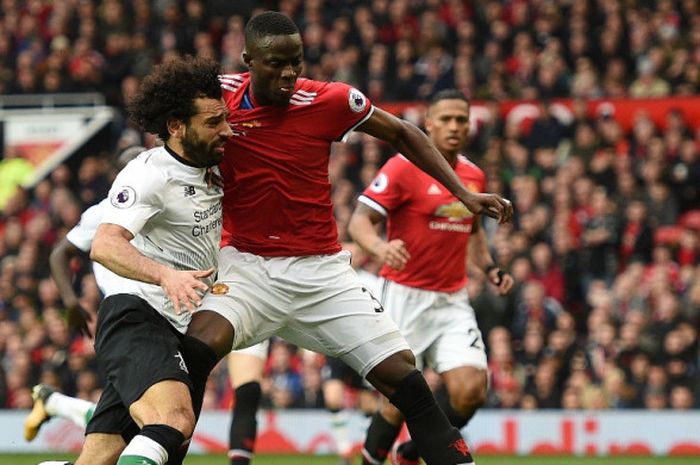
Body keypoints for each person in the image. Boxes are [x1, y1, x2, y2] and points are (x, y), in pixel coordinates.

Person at [185, 12, 512, 465]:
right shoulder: (216, 97)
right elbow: (168, 129)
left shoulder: (330, 100)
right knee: (194, 354)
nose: (288, 74)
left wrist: (463, 194)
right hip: (247, 267)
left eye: (295, 62)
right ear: (248, 61)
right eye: (276, 63)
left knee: (405, 378)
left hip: (321, 270)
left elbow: (402, 132)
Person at [69, 55, 231, 465]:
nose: (226, 131)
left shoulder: (212, 164)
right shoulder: (149, 174)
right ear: (176, 127)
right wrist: (166, 276)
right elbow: (105, 244)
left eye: (225, 119)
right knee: (174, 420)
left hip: (180, 326)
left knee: (100, 458)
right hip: (137, 316)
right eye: (213, 123)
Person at [348, 89, 514, 465]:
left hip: (452, 299)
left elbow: (473, 236)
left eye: (461, 120)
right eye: (447, 119)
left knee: (471, 389)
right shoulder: (402, 168)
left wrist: (490, 268)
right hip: (404, 296)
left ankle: (410, 453)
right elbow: (359, 221)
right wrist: (379, 247)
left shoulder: (473, 175)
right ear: (428, 123)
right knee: (395, 403)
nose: (455, 127)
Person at [24, 146, 145, 444]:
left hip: (160, 318)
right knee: (149, 421)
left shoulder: (163, 206)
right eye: (133, 166)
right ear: (118, 176)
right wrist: (70, 304)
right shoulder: (103, 213)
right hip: (125, 319)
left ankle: (55, 403)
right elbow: (58, 256)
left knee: (130, 424)